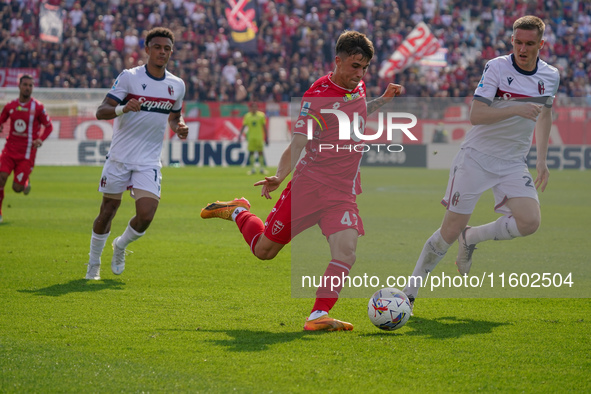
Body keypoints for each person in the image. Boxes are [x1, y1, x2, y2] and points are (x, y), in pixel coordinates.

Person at [201, 30, 404, 331]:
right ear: (338, 61)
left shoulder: (357, 86)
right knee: (264, 251)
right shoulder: (317, 96)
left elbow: (358, 113)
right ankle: (237, 211)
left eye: (364, 68)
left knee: (346, 251)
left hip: (342, 192)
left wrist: (382, 101)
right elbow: (297, 142)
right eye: (354, 66)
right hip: (309, 186)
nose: (360, 73)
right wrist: (281, 176)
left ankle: (317, 315)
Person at [403, 16, 560, 311]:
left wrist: (541, 159)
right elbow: (476, 114)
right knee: (448, 230)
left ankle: (472, 237)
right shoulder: (497, 67)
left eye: (529, 44)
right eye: (518, 42)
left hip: (513, 161)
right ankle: (409, 293)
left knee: (530, 222)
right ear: (511, 41)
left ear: (542, 45)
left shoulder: (551, 75)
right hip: (477, 157)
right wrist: (515, 108)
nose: (522, 49)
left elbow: (545, 113)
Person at [85, 27, 188, 280]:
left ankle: (120, 245)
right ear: (147, 50)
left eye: (166, 49)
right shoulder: (129, 77)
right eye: (157, 47)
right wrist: (122, 108)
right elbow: (101, 111)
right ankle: (93, 264)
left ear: (171, 53)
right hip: (120, 157)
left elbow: (174, 117)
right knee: (107, 211)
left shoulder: (176, 85)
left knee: (146, 216)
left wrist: (179, 127)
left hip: (149, 161)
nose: (162, 52)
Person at [0, 74, 53, 223]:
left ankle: (24, 182)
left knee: (17, 188)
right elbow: (1, 120)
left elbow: (49, 127)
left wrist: (40, 140)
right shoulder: (10, 106)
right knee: (1, 178)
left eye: (30, 85)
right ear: (19, 86)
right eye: (25, 85)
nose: (27, 88)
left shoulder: (38, 107)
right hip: (9, 151)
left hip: (27, 154)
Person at [238, 101, 269, 175]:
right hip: (251, 138)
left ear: (257, 108)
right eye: (252, 107)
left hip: (259, 137)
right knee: (251, 152)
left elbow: (264, 127)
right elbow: (244, 126)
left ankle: (262, 169)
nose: (254, 108)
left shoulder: (261, 115)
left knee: (260, 152)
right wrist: (240, 135)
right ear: (250, 108)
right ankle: (252, 169)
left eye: (255, 107)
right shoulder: (247, 116)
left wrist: (266, 137)